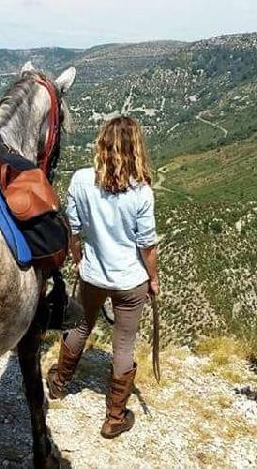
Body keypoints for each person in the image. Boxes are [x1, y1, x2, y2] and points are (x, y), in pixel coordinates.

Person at [46, 115, 159, 439]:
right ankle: (114, 417)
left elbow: (74, 231)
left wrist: (81, 261)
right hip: (130, 280)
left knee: (80, 326)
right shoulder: (142, 191)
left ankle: (59, 384)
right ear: (136, 148)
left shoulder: (82, 180)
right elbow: (146, 245)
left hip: (93, 275)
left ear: (102, 144)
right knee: (124, 344)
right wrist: (153, 280)